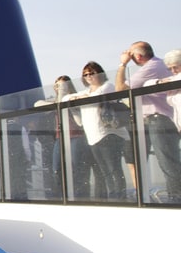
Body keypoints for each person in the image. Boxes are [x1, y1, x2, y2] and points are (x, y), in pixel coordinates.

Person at [116, 41, 181, 203]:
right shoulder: (157, 66)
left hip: (158, 120)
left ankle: (176, 198)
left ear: (138, 56)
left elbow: (120, 89)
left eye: (131, 55)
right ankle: (157, 196)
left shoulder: (151, 67)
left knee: (167, 161)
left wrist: (123, 64)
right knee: (141, 160)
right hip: (150, 121)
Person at [63, 62, 129, 201]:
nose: (88, 76)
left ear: (99, 73)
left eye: (91, 73)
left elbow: (99, 96)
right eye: (85, 74)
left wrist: (79, 98)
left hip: (109, 133)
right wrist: (76, 97)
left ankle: (119, 196)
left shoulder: (107, 86)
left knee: (114, 168)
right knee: (104, 170)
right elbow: (65, 98)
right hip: (93, 135)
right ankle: (112, 195)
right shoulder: (86, 92)